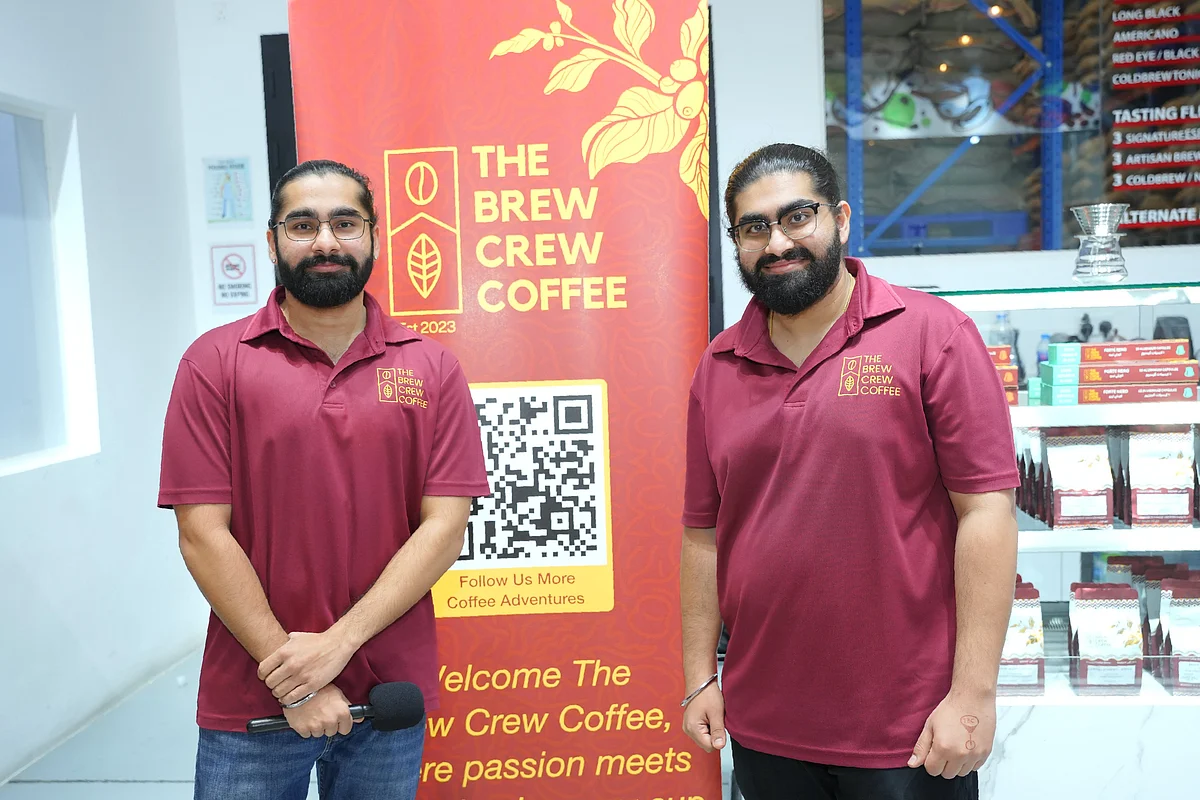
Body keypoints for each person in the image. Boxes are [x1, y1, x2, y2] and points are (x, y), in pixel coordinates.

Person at [679, 144, 1019, 800]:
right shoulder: (719, 365)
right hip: (765, 724)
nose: (778, 242)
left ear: (839, 219)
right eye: (754, 227)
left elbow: (987, 514)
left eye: (796, 217)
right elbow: (702, 533)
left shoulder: (933, 334)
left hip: (910, 729)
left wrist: (973, 694)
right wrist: (699, 676)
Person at [158, 159, 490, 800]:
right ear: (272, 241)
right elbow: (201, 534)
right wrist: (297, 680)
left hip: (386, 694)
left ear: (373, 236)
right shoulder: (215, 362)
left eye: (345, 222)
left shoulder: (431, 367)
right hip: (254, 690)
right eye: (302, 225)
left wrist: (338, 645)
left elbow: (445, 528)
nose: (326, 241)